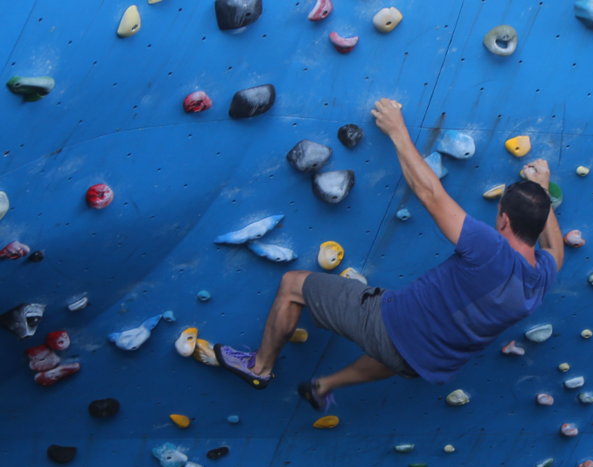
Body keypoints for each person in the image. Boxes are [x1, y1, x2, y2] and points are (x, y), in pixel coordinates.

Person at [214, 98, 564, 410]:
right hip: (430, 362)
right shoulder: (542, 278)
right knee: (401, 355)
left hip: (390, 325)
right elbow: (554, 246)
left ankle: (259, 368)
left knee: (292, 285)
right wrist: (542, 192)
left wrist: (398, 131)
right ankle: (325, 386)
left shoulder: (491, 249)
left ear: (502, 218)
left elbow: (429, 193)